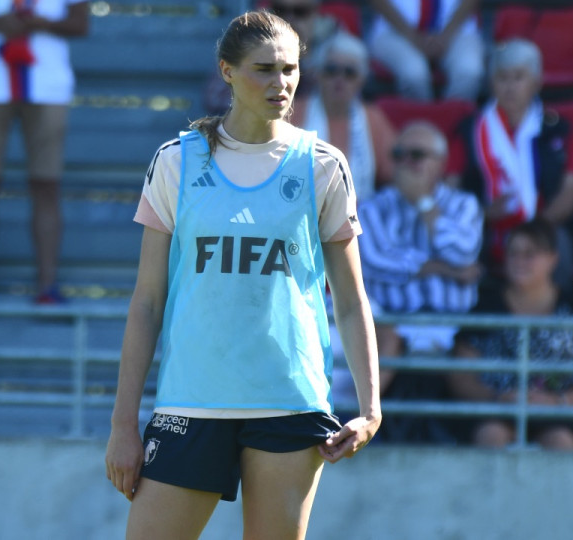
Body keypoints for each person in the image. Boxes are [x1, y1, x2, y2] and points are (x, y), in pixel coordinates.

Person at [104, 11, 381, 539]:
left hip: (289, 403)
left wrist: (370, 409)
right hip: (190, 402)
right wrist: (123, 425)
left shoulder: (323, 165)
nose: (281, 83)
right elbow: (146, 303)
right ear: (227, 71)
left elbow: (349, 300)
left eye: (290, 69)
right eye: (264, 69)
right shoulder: (175, 162)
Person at [0, 0, 89, 304]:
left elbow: (81, 23)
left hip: (47, 87)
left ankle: (47, 286)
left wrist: (40, 24)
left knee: (47, 186)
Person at [357, 121, 482, 443]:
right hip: (393, 323)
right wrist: (446, 269)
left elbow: (463, 252)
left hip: (454, 325)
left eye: (416, 155)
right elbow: (377, 261)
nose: (406, 163)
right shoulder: (371, 207)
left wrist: (425, 204)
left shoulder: (463, 205)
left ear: (440, 163)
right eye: (399, 155)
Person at [448, 219, 573, 450]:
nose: (519, 261)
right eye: (513, 253)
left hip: (563, 414)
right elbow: (460, 375)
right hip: (497, 410)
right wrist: (497, 398)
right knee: (491, 434)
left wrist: (559, 402)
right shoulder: (484, 309)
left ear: (553, 258)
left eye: (529, 254)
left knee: (560, 441)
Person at [457, 39, 573, 288]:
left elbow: (571, 189)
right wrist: (483, 213)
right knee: (464, 242)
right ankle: (483, 308)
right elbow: (452, 188)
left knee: (558, 243)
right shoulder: (469, 129)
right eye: (502, 78)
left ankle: (558, 308)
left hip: (545, 224)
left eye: (518, 77)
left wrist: (538, 226)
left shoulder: (558, 128)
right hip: (485, 225)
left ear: (536, 82)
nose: (510, 86)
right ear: (491, 83)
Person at [291, 31, 395, 202]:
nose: (339, 79)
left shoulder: (373, 120)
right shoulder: (293, 113)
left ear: (361, 80)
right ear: (317, 75)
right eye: (331, 71)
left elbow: (394, 173)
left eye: (349, 73)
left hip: (359, 213)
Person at [204, 0, 340, 115]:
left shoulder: (339, 52)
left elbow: (339, 107)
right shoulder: (246, 45)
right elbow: (216, 101)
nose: (289, 19)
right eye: (280, 10)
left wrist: (305, 60)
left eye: (300, 12)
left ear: (316, 15)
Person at [367, 0, 483, 101]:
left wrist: (446, 36)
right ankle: (419, 119)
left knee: (468, 71)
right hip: (394, 31)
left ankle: (452, 117)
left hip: (457, 30)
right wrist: (413, 37)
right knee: (414, 75)